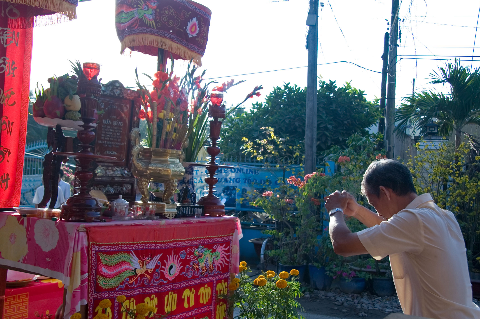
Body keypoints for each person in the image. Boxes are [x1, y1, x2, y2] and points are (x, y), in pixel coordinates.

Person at [325, 159, 480, 318]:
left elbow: (342, 244)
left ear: (385, 192)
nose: (377, 212)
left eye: (374, 203)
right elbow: (389, 227)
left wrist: (335, 210)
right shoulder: (443, 216)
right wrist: (357, 211)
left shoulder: (414, 221)